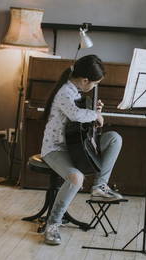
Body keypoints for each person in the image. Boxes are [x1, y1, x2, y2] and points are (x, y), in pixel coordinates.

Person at [41, 54, 123, 245]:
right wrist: (94, 114)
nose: (94, 87)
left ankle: (99, 186)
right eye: (94, 84)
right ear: (85, 80)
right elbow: (76, 115)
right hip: (55, 149)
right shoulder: (64, 93)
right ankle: (53, 224)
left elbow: (80, 126)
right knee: (76, 178)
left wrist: (96, 111)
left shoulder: (77, 91)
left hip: (76, 145)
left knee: (114, 139)